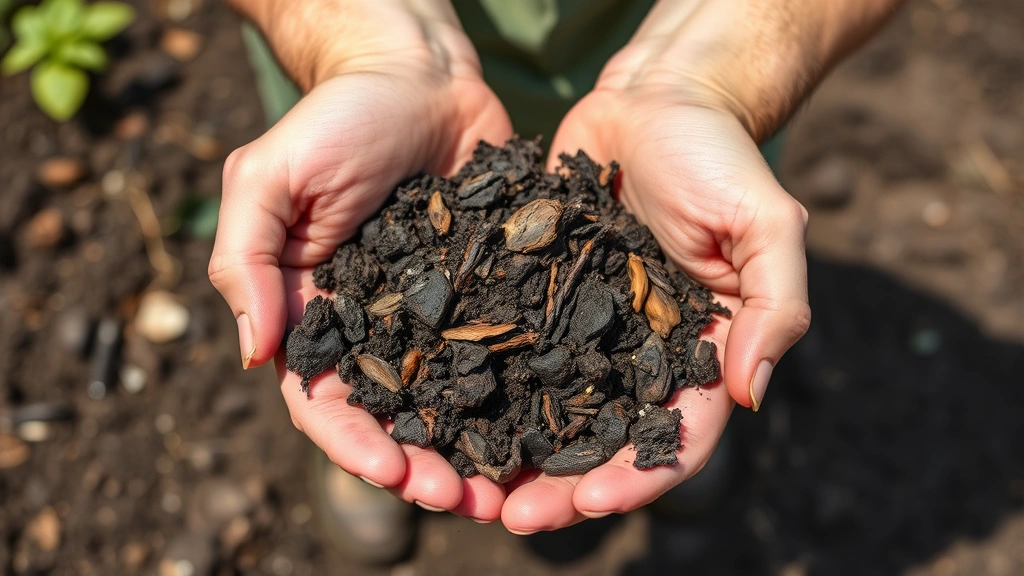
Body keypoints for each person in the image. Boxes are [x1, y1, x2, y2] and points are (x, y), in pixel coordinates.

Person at [208, 0, 903, 563]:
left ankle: (658, 438)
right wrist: (370, 48)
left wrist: (708, 84)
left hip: (696, 54)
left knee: (708, 263)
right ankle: (382, 441)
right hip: (376, 68)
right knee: (358, 315)